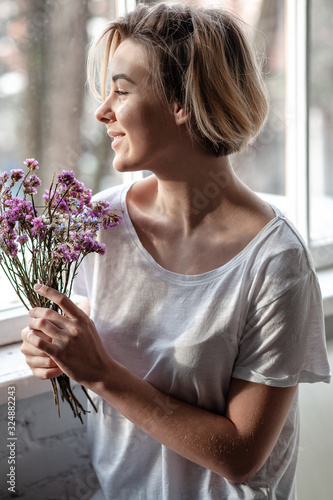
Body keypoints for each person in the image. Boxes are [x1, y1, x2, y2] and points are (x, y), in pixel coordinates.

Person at [21, 3, 331, 499]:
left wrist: (101, 373)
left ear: (183, 101)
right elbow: (81, 345)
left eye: (122, 90)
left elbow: (240, 456)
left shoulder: (276, 264)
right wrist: (51, 349)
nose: (103, 111)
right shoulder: (101, 224)